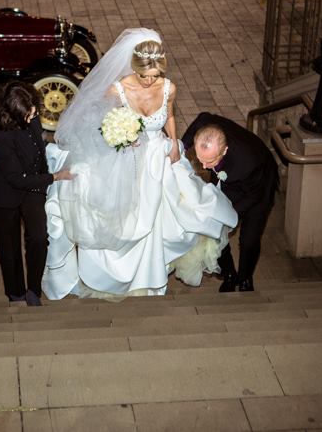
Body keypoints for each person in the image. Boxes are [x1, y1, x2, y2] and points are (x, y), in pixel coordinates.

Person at [43, 28, 238, 300]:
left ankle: (153, 277)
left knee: (164, 215)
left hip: (159, 156)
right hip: (128, 161)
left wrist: (173, 142)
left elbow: (170, 116)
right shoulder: (118, 89)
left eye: (155, 76)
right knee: (129, 217)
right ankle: (122, 276)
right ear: (134, 67)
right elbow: (99, 122)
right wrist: (121, 137)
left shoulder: (169, 88)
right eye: (144, 76)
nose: (150, 81)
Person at [0, 81, 75, 306]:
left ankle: (34, 289)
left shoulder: (30, 112)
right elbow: (16, 178)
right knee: (9, 247)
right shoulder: (0, 135)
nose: (33, 116)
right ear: (12, 114)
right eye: (28, 115)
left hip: (33, 186)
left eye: (34, 111)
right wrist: (55, 176)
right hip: (4, 194)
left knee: (38, 238)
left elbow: (37, 146)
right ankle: (15, 293)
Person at [182, 113, 279, 292]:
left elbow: (253, 196)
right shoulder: (207, 128)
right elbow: (202, 118)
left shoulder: (248, 163)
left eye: (210, 161)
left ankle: (245, 277)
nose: (204, 167)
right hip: (232, 179)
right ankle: (229, 274)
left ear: (224, 151)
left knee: (249, 239)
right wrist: (182, 146)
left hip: (258, 187)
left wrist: (226, 216)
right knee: (213, 232)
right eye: (201, 159)